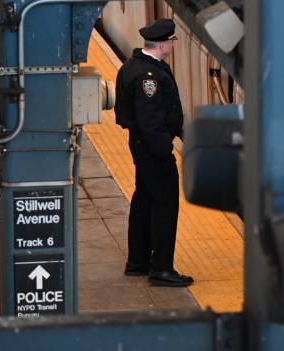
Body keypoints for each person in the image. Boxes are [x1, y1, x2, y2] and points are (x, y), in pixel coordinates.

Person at [114, 18, 193, 287]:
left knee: (144, 200)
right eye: (171, 41)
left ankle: (137, 262)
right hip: (152, 149)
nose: (172, 45)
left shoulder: (136, 66)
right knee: (165, 205)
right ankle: (161, 269)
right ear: (162, 44)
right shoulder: (149, 77)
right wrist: (165, 149)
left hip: (141, 146)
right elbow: (150, 121)